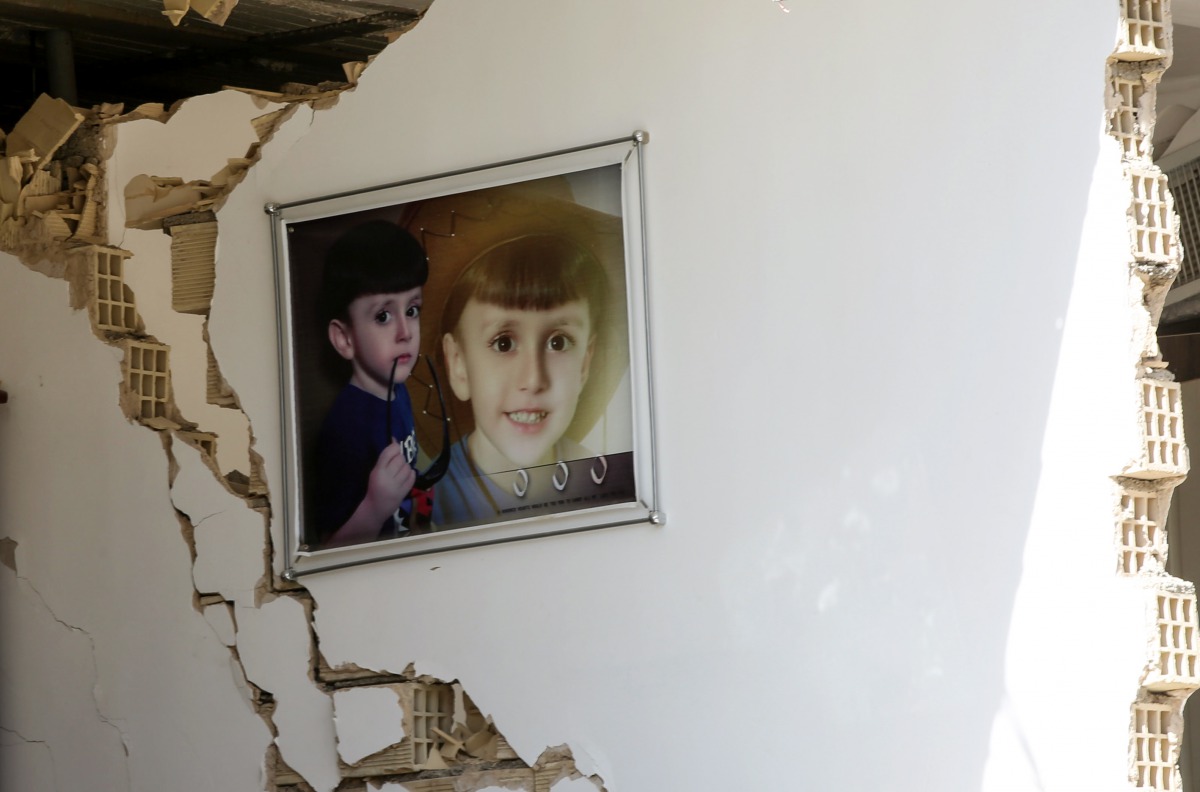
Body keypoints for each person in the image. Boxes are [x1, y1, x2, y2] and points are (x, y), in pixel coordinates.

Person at [432, 233, 634, 527]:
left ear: (584, 364)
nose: (533, 379)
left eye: (558, 342)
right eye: (503, 343)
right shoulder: (422, 506)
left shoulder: (609, 485)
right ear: (458, 364)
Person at [312, 219, 428, 548]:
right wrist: (375, 507)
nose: (405, 332)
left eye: (412, 310)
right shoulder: (343, 432)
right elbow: (330, 549)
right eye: (383, 316)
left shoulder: (399, 391)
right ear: (344, 339)